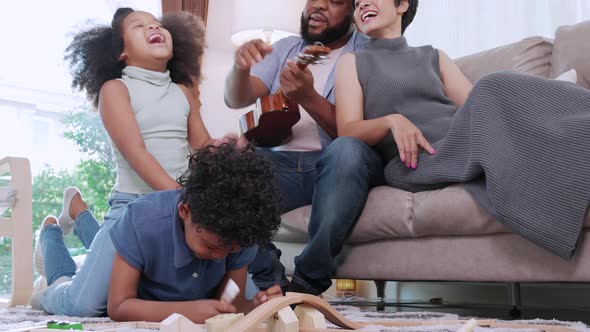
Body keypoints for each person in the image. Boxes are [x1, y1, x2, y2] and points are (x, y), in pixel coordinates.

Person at [335, 0, 590, 260]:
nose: (362, 4)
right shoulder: (352, 62)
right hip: (419, 158)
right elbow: (347, 131)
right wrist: (391, 120)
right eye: (356, 3)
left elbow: (475, 105)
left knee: (491, 89)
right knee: (492, 84)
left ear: (402, 5)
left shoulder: (433, 55)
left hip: (458, 140)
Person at [32, 8, 220, 316]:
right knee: (83, 304)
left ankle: (79, 213)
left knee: (141, 284)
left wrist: (225, 150)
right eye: (139, 26)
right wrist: (181, 196)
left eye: (158, 25)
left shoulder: (183, 91)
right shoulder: (116, 89)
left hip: (176, 205)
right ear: (121, 51)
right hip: (133, 207)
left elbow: (201, 146)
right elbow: (137, 152)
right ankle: (53, 265)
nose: (153, 28)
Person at [224, 0, 384, 295]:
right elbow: (236, 98)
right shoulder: (287, 47)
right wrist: (240, 69)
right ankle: (269, 283)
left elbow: (360, 134)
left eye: (334, 1)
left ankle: (306, 285)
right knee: (224, 165)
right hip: (280, 166)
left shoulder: (369, 51)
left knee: (346, 150)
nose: (319, 6)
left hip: (336, 165)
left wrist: (309, 97)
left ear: (353, 11)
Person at [108, 143, 281, 322]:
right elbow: (118, 306)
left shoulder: (242, 234)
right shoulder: (142, 220)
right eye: (211, 246)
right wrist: (185, 312)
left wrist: (252, 308)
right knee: (84, 306)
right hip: (143, 297)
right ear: (185, 211)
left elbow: (229, 301)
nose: (219, 257)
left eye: (231, 251)